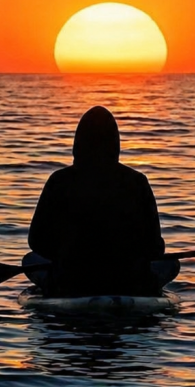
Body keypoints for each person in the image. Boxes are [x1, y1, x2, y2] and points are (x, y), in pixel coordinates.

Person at [26, 106, 174, 297]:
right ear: (115, 144)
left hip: (72, 279)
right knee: (171, 263)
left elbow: (36, 241)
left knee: (30, 260)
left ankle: (54, 285)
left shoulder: (59, 180)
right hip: (129, 281)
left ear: (78, 143)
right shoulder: (137, 181)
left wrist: (63, 256)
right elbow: (155, 247)